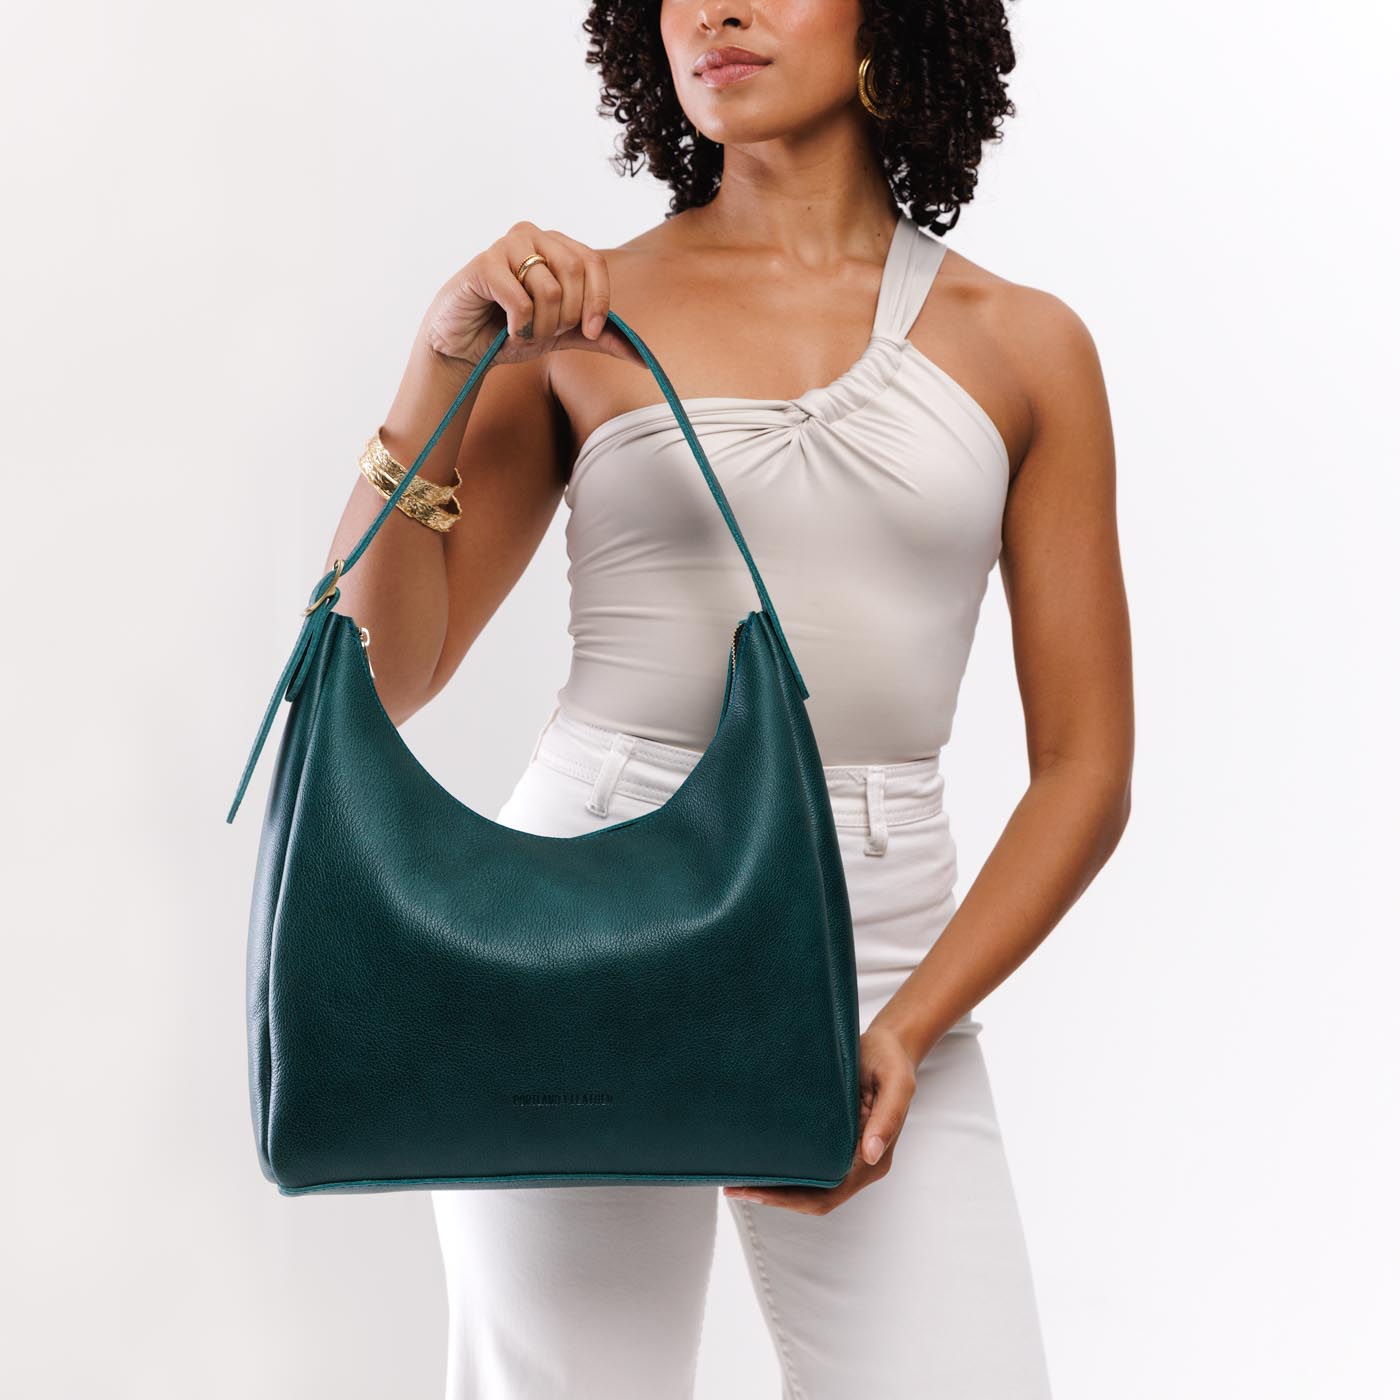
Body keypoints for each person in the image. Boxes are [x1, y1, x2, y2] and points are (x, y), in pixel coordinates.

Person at [321, 2, 1133, 1395]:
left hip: (884, 964)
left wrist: (909, 1028)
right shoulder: (576, 323)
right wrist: (437, 367)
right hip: (576, 932)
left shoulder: (1024, 344)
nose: (717, 9)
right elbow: (377, 672)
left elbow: (1086, 771)